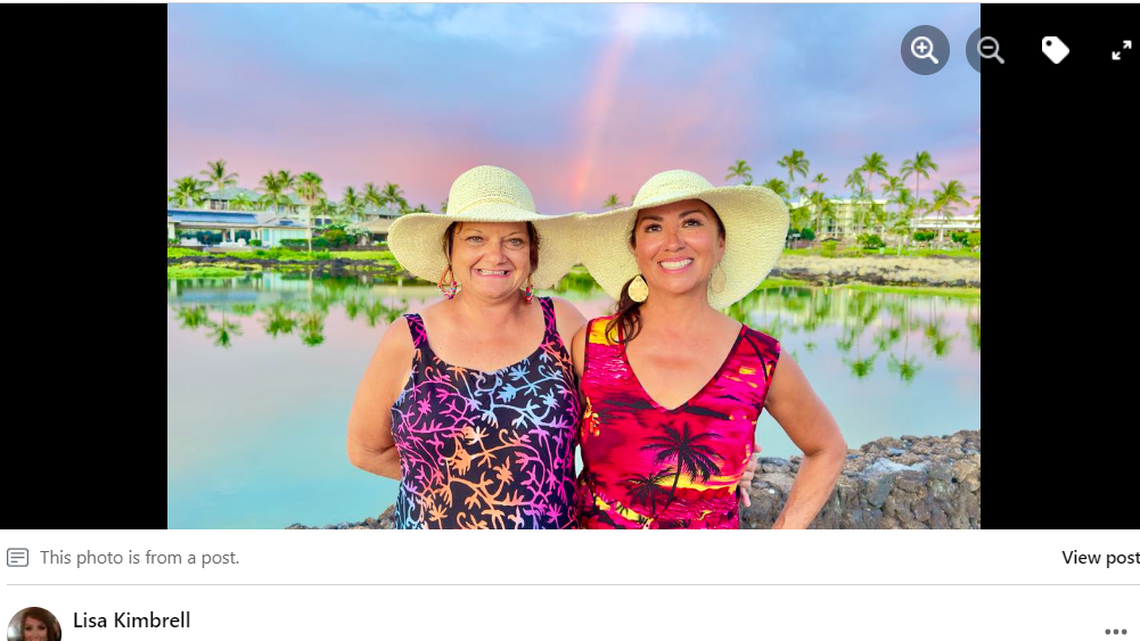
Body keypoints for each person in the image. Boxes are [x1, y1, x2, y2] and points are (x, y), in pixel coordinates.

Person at [571, 169, 847, 529]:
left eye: (691, 223)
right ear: (635, 250)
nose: (673, 242)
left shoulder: (758, 359)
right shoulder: (592, 345)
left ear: (720, 244)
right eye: (653, 227)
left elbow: (827, 448)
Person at [346, 165, 585, 529]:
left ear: (532, 253)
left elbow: (617, 422)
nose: (496, 255)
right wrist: (445, 480)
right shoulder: (408, 338)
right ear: (450, 250)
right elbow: (365, 450)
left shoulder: (563, 324)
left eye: (514, 240)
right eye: (475, 238)